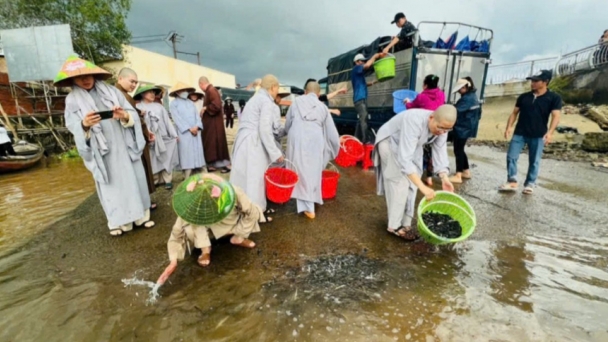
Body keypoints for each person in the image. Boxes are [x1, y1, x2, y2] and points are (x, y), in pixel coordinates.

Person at [54, 56, 154, 236]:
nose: (85, 80)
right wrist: (84, 124)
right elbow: (72, 124)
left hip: (124, 144)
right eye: (79, 77)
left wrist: (124, 116)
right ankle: (119, 222)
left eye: (88, 76)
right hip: (102, 150)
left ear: (95, 75)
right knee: (112, 185)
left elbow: (131, 113)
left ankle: (141, 217)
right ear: (72, 80)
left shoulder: (112, 92)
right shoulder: (72, 100)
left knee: (134, 179)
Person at [156, 174, 263, 285]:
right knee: (190, 227)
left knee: (254, 212)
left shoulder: (233, 192)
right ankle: (205, 250)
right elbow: (176, 235)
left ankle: (238, 238)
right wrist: (173, 261)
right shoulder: (191, 205)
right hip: (208, 228)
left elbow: (251, 213)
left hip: (231, 222)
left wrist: (241, 232)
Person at [374, 105, 456, 240]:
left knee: (414, 179)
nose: (443, 132)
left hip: (413, 143)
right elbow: (404, 160)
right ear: (431, 118)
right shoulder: (413, 120)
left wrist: (444, 177)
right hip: (390, 141)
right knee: (399, 182)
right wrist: (423, 187)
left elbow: (440, 150)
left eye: (447, 129)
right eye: (440, 128)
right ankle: (394, 226)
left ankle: (406, 222)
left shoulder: (443, 127)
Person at [500, 69, 562, 195]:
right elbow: (514, 113)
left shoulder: (554, 98)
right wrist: (509, 127)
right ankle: (512, 180)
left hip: (538, 134)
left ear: (545, 82)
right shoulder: (524, 97)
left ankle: (530, 183)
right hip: (520, 132)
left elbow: (556, 116)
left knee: (534, 160)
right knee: (511, 156)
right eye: (532, 80)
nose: (532, 83)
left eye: (536, 80)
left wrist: (550, 133)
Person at [230, 74, 284, 217]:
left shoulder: (254, 99)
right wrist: (275, 153)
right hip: (253, 142)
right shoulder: (266, 102)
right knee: (255, 177)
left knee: (243, 176)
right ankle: (256, 214)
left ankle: (240, 209)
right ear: (272, 87)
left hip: (243, 140)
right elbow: (265, 130)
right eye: (277, 89)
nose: (277, 92)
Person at [285, 81, 340, 219]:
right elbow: (331, 133)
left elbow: (287, 124)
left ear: (305, 91)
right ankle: (309, 205)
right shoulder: (322, 107)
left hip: (296, 137)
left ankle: (308, 206)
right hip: (315, 139)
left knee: (298, 169)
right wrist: (335, 145)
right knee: (311, 171)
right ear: (318, 94)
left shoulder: (296, 103)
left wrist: (284, 133)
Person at [115, 67, 157, 210]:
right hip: (131, 140)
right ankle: (142, 202)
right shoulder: (118, 95)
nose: (133, 85)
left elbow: (135, 116)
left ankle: (143, 200)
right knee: (140, 172)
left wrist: (147, 130)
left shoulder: (125, 95)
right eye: (131, 81)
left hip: (139, 135)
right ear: (120, 78)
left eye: (135, 82)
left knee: (143, 170)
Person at [134, 85, 180, 190]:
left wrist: (174, 135)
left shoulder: (159, 106)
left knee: (165, 156)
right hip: (150, 138)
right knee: (152, 160)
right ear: (142, 94)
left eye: (153, 92)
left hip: (163, 136)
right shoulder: (138, 108)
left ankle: (167, 179)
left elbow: (167, 122)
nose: (152, 94)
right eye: (149, 92)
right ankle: (155, 179)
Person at [405, 74, 446, 186]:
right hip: (438, 128)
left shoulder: (421, 97)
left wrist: (407, 102)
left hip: (426, 129)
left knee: (420, 152)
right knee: (433, 153)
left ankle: (416, 176)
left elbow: (411, 108)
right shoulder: (442, 95)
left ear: (425, 85)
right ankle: (429, 178)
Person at [169, 82, 206, 178]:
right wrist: (189, 128)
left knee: (198, 152)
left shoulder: (190, 103)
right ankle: (187, 175)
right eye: (182, 90)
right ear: (177, 92)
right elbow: (176, 118)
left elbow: (197, 116)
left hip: (195, 131)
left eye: (186, 90)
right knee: (186, 153)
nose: (185, 92)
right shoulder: (174, 104)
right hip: (184, 133)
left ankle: (201, 173)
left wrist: (197, 126)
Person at [449, 77, 481, 184]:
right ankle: (466, 171)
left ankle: (458, 175)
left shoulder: (467, 98)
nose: (458, 91)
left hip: (462, 128)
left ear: (466, 87)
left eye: (460, 89)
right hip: (468, 127)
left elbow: (455, 111)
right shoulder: (473, 96)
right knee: (461, 150)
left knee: (458, 150)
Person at [199, 77, 232, 173]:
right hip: (212, 124)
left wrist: (206, 108)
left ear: (201, 84)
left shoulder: (211, 90)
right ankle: (213, 164)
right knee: (212, 145)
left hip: (215, 125)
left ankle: (227, 165)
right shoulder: (209, 91)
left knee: (218, 144)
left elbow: (216, 106)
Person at [352, 52, 385, 144]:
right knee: (364, 118)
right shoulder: (356, 68)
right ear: (356, 62)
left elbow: (363, 84)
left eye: (363, 61)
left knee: (361, 119)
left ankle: (356, 139)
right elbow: (367, 66)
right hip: (359, 99)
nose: (362, 62)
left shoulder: (358, 74)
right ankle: (365, 140)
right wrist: (375, 56)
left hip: (360, 99)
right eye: (361, 61)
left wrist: (374, 82)